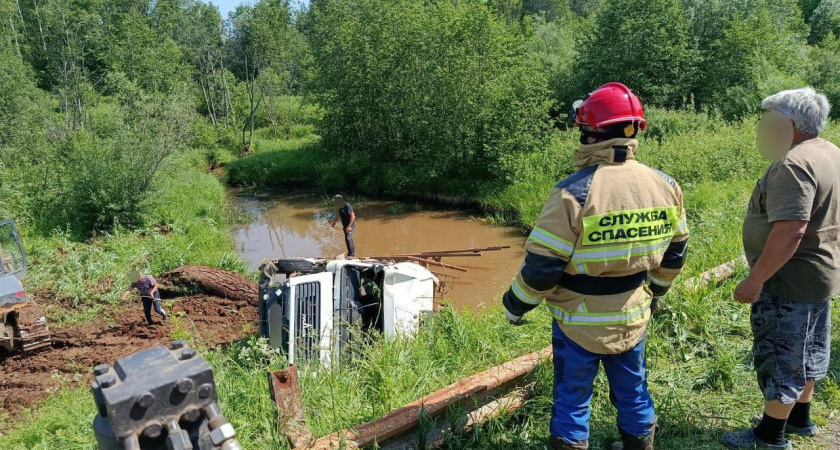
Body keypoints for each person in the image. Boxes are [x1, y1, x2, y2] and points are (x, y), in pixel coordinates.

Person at [502, 82, 689, 450]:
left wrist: (515, 305)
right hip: (634, 312)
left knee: (573, 398)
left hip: (578, 322)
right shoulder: (665, 185)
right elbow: (676, 252)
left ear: (590, 133)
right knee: (633, 389)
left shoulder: (573, 192)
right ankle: (639, 445)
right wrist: (658, 292)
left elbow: (543, 268)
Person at [722, 88, 836, 450]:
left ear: (788, 123)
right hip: (819, 276)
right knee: (809, 351)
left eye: (768, 119)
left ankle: (769, 436)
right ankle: (800, 420)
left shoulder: (794, 164)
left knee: (782, 356)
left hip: (788, 281)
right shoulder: (829, 152)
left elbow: (791, 230)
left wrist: (755, 281)